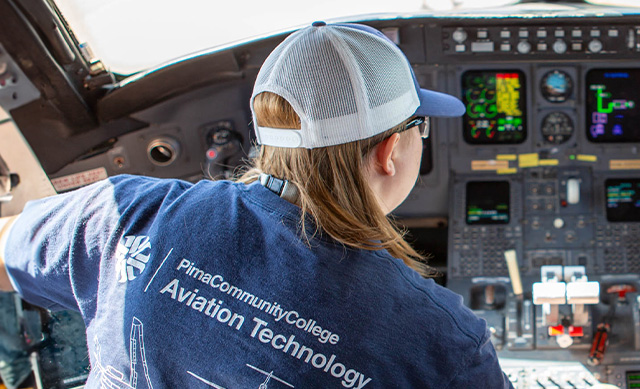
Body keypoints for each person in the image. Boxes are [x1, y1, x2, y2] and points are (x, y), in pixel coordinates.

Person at [0, 22, 510, 388]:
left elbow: (9, 248)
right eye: (418, 126)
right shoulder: (441, 341)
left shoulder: (128, 212)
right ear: (389, 151)